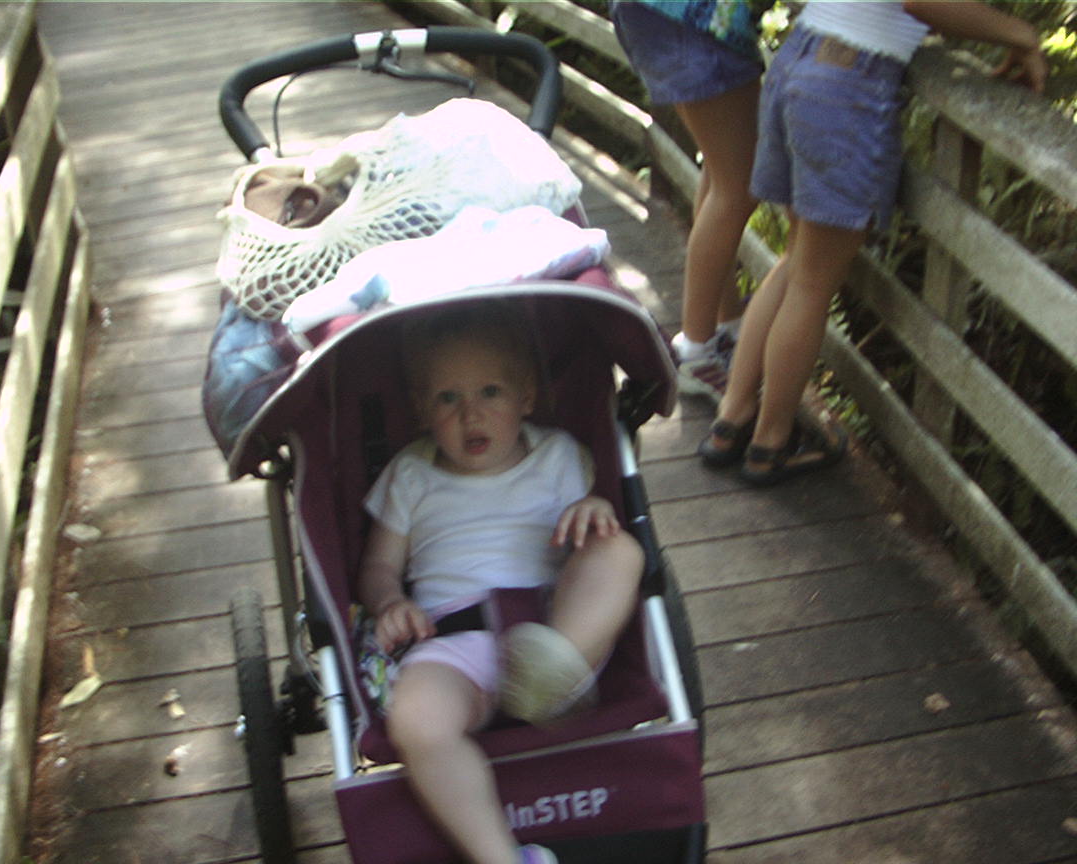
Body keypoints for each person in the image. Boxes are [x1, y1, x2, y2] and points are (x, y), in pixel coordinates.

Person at [699, 0, 1049, 486]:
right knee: (811, 285)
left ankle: (731, 422)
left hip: (802, 57)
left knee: (796, 262)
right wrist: (1020, 34)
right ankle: (769, 444)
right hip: (847, 82)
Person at [356, 305, 644, 864]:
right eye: (447, 398)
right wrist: (389, 600)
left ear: (526, 398)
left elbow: (590, 539)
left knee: (620, 550)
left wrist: (594, 509)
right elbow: (377, 567)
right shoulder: (410, 474)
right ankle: (501, 858)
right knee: (417, 721)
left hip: (557, 627)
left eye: (491, 391)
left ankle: (550, 677)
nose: (471, 414)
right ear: (422, 410)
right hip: (451, 643)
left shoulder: (559, 455)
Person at [610, 0, 767, 398]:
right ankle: (698, 349)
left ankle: (726, 322)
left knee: (722, 176)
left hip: (668, 17)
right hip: (693, 22)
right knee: (737, 190)